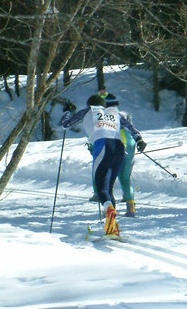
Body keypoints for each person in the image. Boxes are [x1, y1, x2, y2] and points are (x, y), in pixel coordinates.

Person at [61, 92, 146, 236]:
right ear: (104, 106)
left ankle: (109, 212)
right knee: (109, 187)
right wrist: (139, 140)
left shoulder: (87, 111)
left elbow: (66, 124)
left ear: (90, 105)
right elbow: (130, 127)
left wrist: (68, 111)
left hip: (102, 145)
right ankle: (112, 226)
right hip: (119, 147)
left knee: (102, 188)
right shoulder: (114, 113)